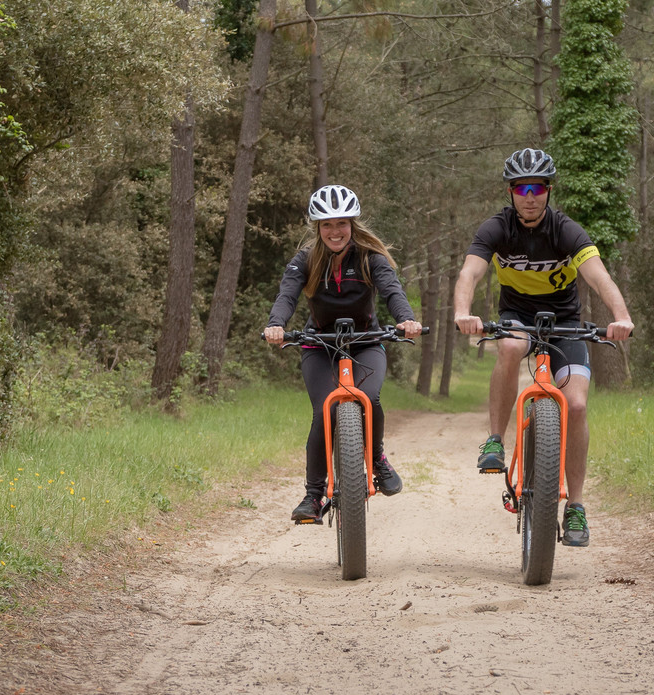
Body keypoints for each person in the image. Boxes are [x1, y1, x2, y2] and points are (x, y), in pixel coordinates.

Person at [453, 148, 634, 547]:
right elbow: (470, 271)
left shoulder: (566, 230)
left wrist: (620, 317)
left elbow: (599, 277)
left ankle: (576, 507)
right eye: (521, 188)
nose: (529, 196)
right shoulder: (496, 229)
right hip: (516, 316)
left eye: (537, 187)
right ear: (511, 192)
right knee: (511, 349)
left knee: (578, 405)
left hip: (565, 323)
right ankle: (495, 441)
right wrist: (463, 312)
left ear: (548, 190)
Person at [265, 184, 422, 522]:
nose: (335, 231)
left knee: (370, 399)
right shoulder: (305, 259)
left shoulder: (370, 257)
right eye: (327, 225)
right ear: (317, 228)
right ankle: (313, 494)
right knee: (326, 410)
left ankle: (376, 457)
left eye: (341, 224)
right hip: (319, 344)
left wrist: (406, 319)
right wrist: (276, 324)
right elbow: (287, 296)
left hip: (365, 341)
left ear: (352, 224)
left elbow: (392, 291)